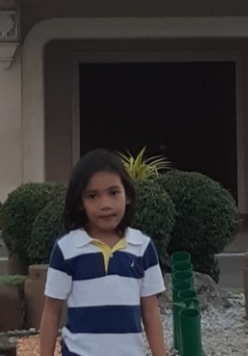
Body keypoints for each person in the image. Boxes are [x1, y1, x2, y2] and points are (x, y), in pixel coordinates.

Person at [38, 148, 167, 356]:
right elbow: (52, 312)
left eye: (113, 193)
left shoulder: (143, 247)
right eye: (92, 196)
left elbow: (151, 312)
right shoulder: (66, 249)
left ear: (127, 195)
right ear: (80, 203)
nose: (105, 205)